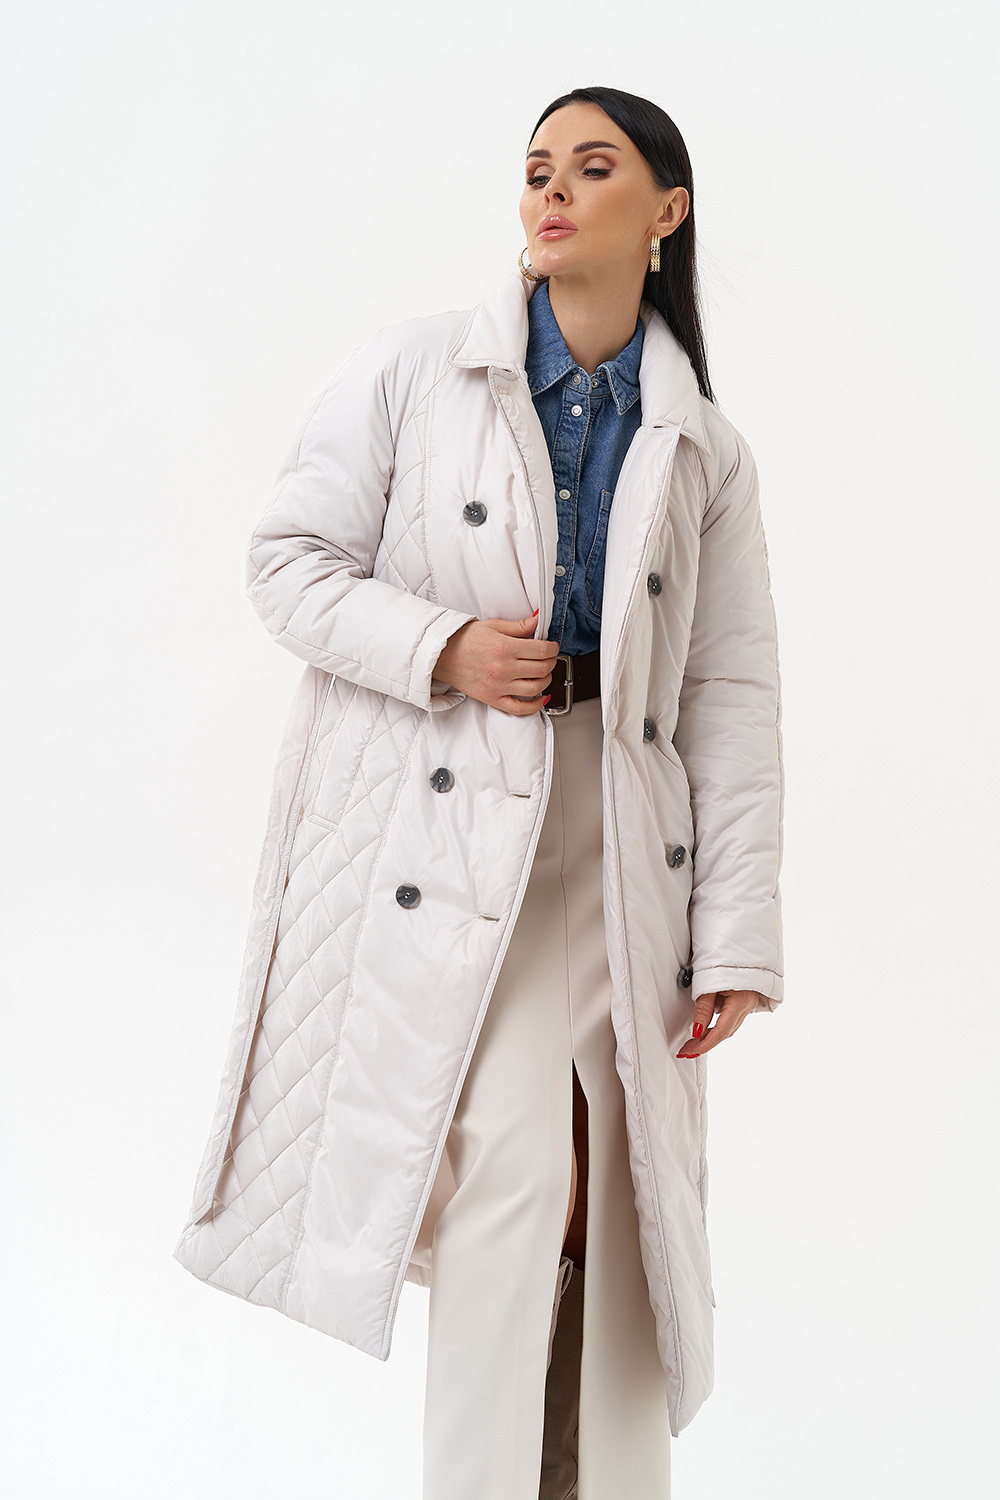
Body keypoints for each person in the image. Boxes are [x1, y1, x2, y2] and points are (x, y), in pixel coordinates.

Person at [174, 84, 784, 1500]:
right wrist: (444, 647)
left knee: (618, 1200)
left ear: (667, 211)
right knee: (514, 1169)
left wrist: (739, 937)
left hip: (623, 836)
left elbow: (731, 693)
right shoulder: (418, 370)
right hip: (460, 831)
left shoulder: (705, 444)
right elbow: (286, 561)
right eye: (535, 168)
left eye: (591, 167)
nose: (550, 191)